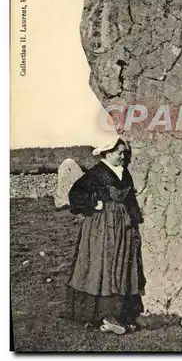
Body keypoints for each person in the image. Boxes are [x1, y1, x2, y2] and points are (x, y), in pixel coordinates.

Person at [64, 137, 146, 334]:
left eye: (124, 153)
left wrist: (134, 222)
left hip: (122, 226)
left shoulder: (124, 172)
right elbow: (75, 194)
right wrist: (93, 205)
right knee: (104, 265)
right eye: (120, 152)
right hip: (102, 226)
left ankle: (120, 314)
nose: (123, 156)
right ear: (108, 153)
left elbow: (130, 199)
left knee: (121, 264)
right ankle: (103, 315)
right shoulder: (96, 173)